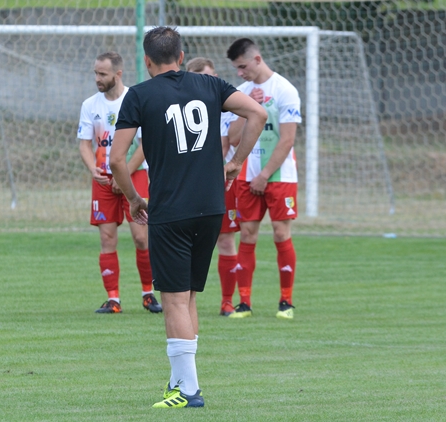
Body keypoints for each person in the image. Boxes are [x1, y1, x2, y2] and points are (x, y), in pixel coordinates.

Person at [110, 28, 267, 408]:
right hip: (212, 206)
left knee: (175, 301)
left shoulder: (140, 94)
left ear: (147, 61)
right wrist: (235, 163)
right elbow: (257, 113)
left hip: (171, 209)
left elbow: (117, 159)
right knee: (189, 298)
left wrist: (133, 198)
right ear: (182, 56)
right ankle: (180, 381)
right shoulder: (209, 84)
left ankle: (189, 391)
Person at [77, 52, 162, 314]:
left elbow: (145, 145)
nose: (97, 79)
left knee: (141, 238)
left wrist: (124, 173)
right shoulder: (90, 105)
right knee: (107, 238)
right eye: (95, 73)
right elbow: (85, 144)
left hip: (134, 175)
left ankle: (148, 294)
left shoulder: (135, 100)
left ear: (118, 74)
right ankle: (113, 299)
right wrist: (93, 169)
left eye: (102, 74)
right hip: (103, 179)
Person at [225, 38, 302, 320]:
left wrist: (265, 175)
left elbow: (288, 139)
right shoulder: (241, 93)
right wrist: (249, 111)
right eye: (236, 68)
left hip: (279, 176)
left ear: (257, 59)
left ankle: (286, 302)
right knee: (247, 235)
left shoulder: (285, 90)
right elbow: (233, 138)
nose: (240, 73)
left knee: (281, 233)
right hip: (246, 176)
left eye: (242, 67)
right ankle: (244, 303)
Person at [185, 57, 240, 316]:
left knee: (226, 240)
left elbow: (229, 142)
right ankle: (181, 298)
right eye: (206, 77)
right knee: (182, 241)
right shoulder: (182, 108)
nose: (213, 81)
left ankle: (227, 301)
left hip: (217, 183)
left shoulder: (225, 106)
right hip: (185, 184)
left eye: (214, 76)